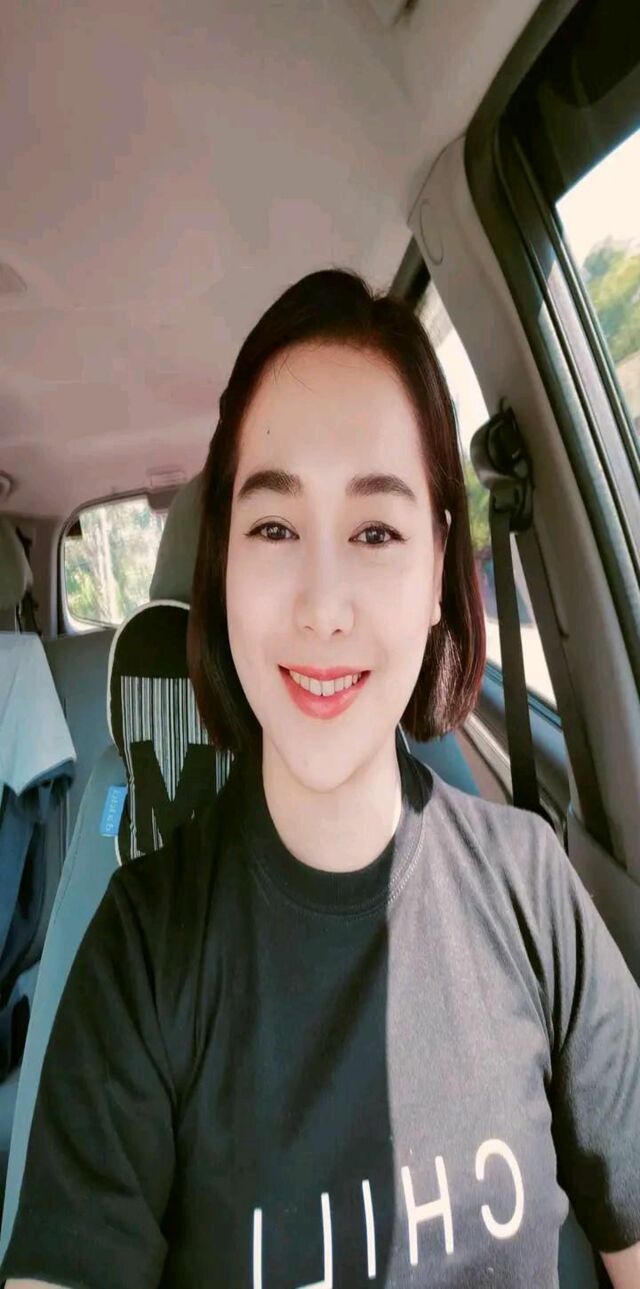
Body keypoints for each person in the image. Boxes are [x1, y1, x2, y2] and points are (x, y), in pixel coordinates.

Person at [2, 269, 640, 1289]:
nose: (323, 605)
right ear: (223, 564)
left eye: (376, 531)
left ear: (437, 565)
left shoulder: (534, 888)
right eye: (273, 527)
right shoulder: (141, 955)